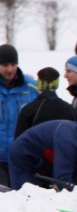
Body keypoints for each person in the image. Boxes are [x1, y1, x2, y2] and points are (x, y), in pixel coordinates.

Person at [8, 119, 77, 190]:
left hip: (47, 161)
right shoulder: (69, 142)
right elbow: (62, 181)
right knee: (27, 197)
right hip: (24, 156)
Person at [0, 44, 39, 186]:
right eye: (5, 65)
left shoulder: (32, 87)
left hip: (23, 158)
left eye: (13, 64)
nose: (10, 69)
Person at [15, 67, 75, 140]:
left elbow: (19, 141)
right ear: (56, 84)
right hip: (62, 149)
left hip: (35, 150)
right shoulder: (69, 109)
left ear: (39, 83)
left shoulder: (29, 110)